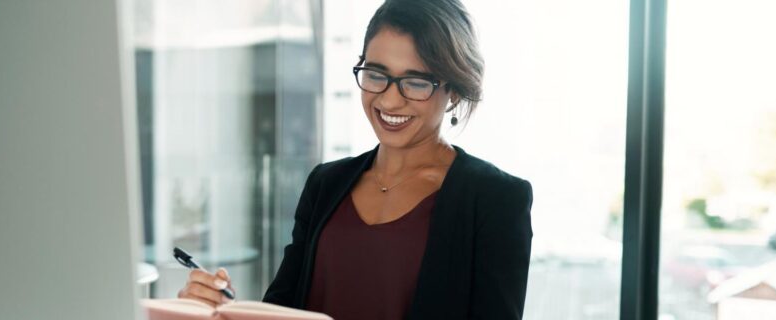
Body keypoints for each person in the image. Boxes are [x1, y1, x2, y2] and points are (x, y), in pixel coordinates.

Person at [177, 0, 533, 318]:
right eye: (377, 74)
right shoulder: (326, 183)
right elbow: (282, 310)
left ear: (453, 88)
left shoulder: (496, 199)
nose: (390, 101)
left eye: (416, 81)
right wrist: (223, 308)